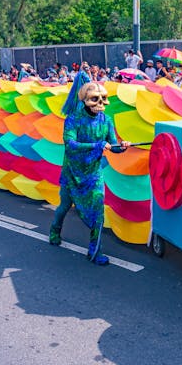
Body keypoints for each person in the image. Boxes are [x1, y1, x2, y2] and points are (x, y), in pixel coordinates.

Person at [49, 82, 130, 264]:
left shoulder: (106, 121)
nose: (100, 103)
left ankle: (95, 251)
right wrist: (97, 145)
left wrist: (122, 147)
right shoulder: (73, 119)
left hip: (94, 173)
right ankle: (55, 230)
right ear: (84, 100)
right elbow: (70, 144)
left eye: (103, 99)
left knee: (98, 211)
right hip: (72, 172)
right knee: (64, 206)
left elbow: (113, 146)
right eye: (95, 99)